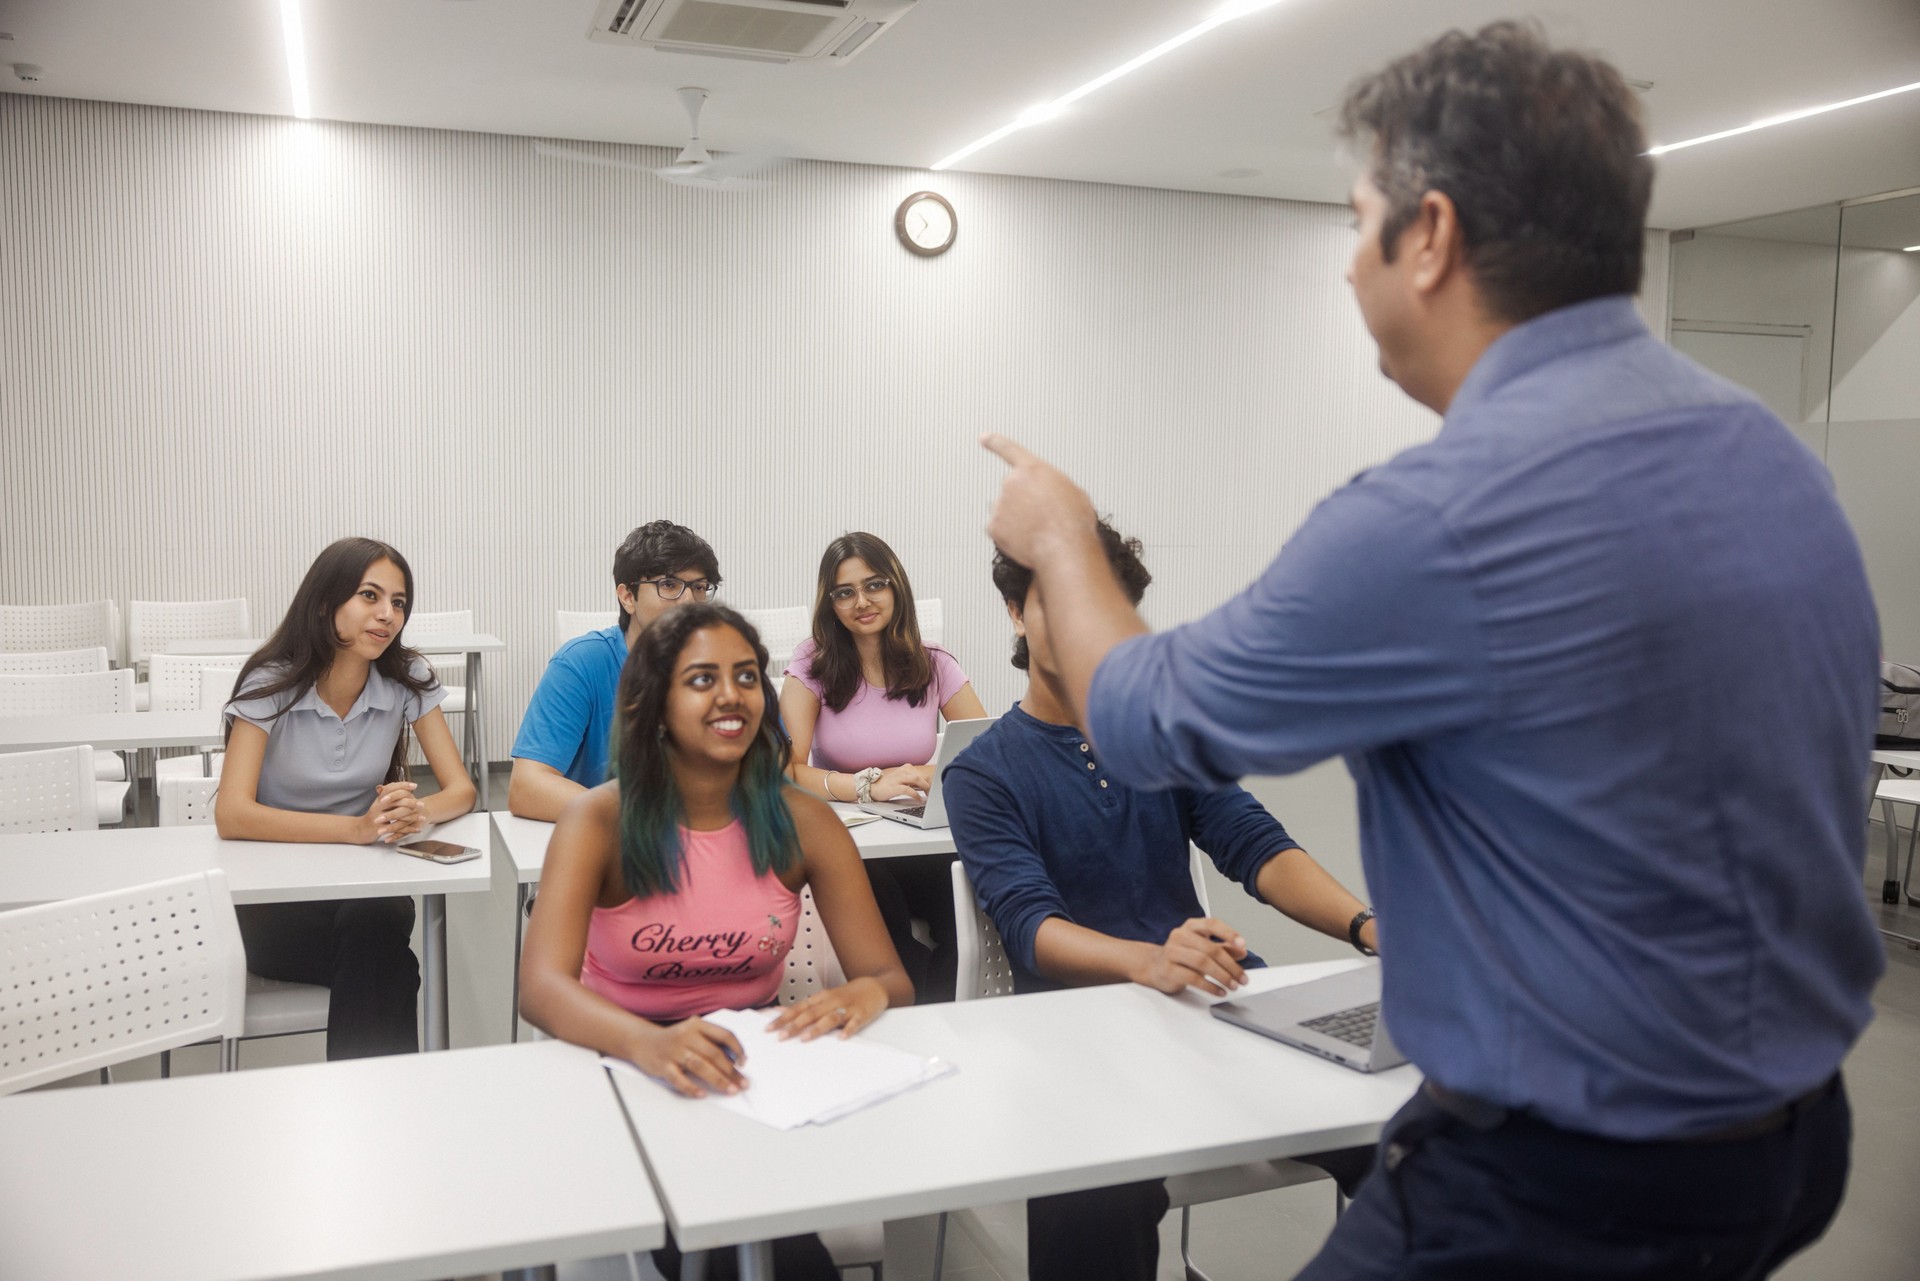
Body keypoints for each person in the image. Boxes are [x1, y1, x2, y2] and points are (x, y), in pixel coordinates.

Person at [979, 21, 1883, 1281]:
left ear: (1433, 236)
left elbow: (1143, 724)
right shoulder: (1775, 463)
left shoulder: (1440, 518)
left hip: (1564, 1181)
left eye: (1358, 227)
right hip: (1783, 1140)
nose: (1350, 272)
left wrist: (1064, 545)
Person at [946, 518, 1377, 1281]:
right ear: (1015, 610)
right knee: (1092, 1200)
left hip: (1215, 1012)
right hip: (1082, 1039)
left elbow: (1257, 845)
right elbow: (1030, 927)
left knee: (1411, 1139)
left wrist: (1365, 924)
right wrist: (1152, 958)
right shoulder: (983, 773)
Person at [518, 602, 914, 1281]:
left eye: (745, 676)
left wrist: (864, 991)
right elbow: (541, 987)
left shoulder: (807, 823)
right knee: (683, 1236)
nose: (731, 695)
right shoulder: (597, 818)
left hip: (744, 1068)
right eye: (702, 678)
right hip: (617, 1060)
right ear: (653, 701)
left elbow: (890, 976)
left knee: (778, 1257)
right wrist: (648, 1041)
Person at [215, 537, 477, 1060]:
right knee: (388, 963)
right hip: (273, 896)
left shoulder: (407, 679)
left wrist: (418, 812)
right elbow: (232, 813)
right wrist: (357, 829)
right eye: (369, 596)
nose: (387, 615)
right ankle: (382, 1110)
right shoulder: (271, 682)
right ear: (323, 603)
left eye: (398, 603)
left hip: (365, 890)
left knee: (373, 929)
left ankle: (359, 1116)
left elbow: (463, 790)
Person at [779, 532, 988, 1001]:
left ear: (897, 586)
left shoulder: (934, 662)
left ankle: (944, 1025)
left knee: (965, 919)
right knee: (888, 934)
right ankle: (905, 1022)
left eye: (875, 585)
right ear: (830, 603)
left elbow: (986, 753)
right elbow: (787, 770)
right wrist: (869, 785)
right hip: (851, 839)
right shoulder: (811, 661)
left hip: (922, 832)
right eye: (844, 592)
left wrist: (925, 776)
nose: (862, 601)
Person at [508, 519, 722, 821]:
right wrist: (642, 818)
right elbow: (527, 787)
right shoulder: (582, 663)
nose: (689, 601)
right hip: (609, 843)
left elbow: (774, 764)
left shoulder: (725, 664)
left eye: (699, 587)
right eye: (669, 585)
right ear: (627, 597)